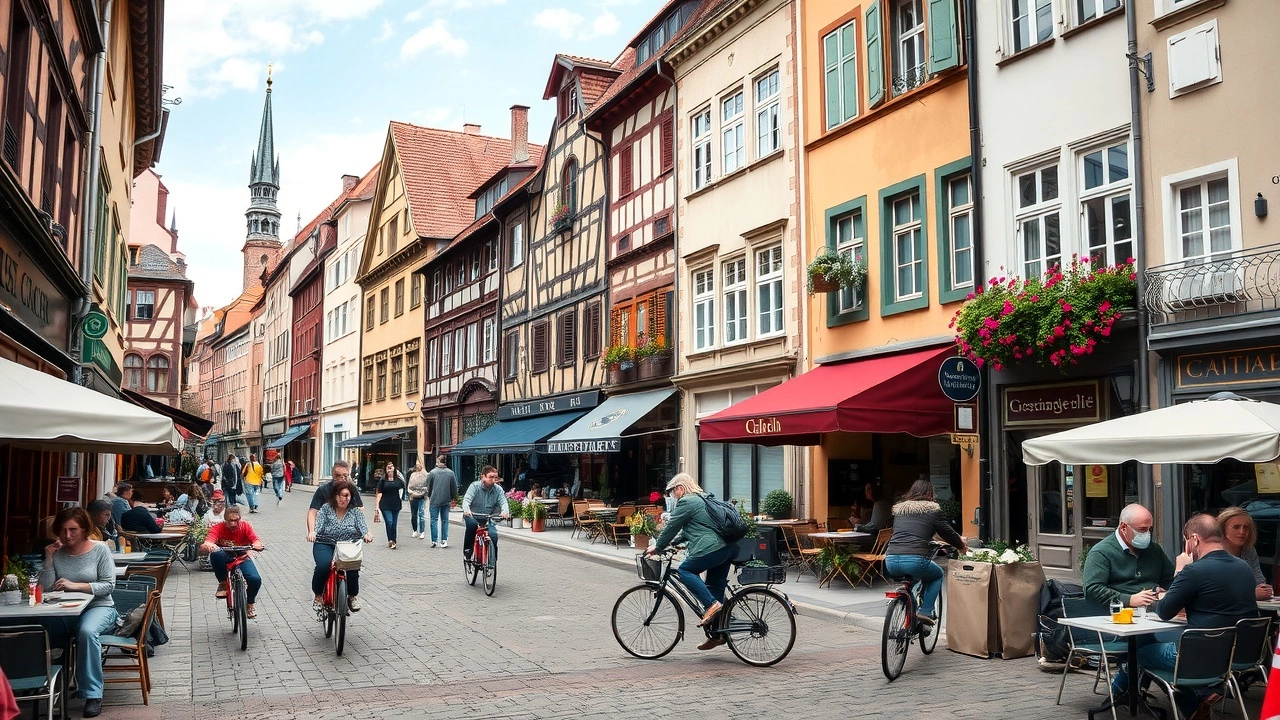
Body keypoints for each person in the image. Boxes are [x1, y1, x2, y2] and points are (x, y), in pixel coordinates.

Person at [1120, 513, 1259, 718]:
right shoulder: (1244, 567)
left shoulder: (1193, 570)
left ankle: (1190, 697)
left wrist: (1180, 569)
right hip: (1235, 655)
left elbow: (1164, 612)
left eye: (1186, 540)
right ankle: (1199, 695)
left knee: (1140, 652)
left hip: (1198, 656)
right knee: (1160, 648)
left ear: (1193, 539)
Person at [37, 507, 116, 718]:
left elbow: (109, 585)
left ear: (84, 530)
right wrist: (49, 559)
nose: (68, 535)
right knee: (41, 631)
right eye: (63, 530)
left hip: (98, 607)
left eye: (73, 530)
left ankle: (92, 694)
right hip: (63, 610)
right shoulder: (57, 553)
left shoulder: (100, 550)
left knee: (87, 632)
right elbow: (45, 587)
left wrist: (77, 586)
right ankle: (45, 686)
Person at [646, 473, 735, 651]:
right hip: (726, 548)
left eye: (673, 492)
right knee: (714, 587)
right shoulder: (702, 499)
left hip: (712, 548)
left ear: (680, 488)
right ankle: (717, 634)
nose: (673, 496)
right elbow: (690, 530)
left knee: (685, 570)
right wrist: (673, 544)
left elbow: (672, 526)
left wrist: (658, 547)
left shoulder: (687, 501)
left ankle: (712, 605)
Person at [883, 480, 969, 626]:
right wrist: (961, 546)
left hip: (890, 560)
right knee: (937, 574)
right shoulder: (932, 511)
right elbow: (948, 533)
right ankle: (926, 611)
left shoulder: (900, 511)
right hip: (915, 560)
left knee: (914, 578)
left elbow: (910, 531)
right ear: (930, 494)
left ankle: (909, 606)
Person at [1083, 503, 1176, 610]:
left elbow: (1169, 579)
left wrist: (1165, 592)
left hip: (1155, 609)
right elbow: (1092, 591)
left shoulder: (1154, 549)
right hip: (1119, 613)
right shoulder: (1101, 553)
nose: (1147, 534)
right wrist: (1129, 600)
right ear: (1123, 527)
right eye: (1142, 529)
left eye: (1149, 529)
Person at [307, 479, 373, 613]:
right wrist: (313, 533)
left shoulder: (355, 512)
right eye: (343, 495)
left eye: (348, 496)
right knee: (323, 566)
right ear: (336, 496)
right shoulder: (326, 509)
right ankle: (318, 596)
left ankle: (352, 596)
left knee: (353, 567)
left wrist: (367, 535)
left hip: (348, 544)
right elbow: (318, 525)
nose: (345, 499)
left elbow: (363, 528)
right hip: (325, 542)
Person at [200, 505, 265, 618]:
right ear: (225, 520)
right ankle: (223, 583)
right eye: (231, 520)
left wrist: (257, 544)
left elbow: (255, 539)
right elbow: (210, 539)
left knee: (255, 580)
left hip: (242, 557)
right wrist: (208, 545)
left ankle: (250, 604)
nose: (234, 523)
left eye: (236, 520)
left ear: (240, 518)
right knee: (215, 554)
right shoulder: (218, 527)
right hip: (225, 556)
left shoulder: (245, 526)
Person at [1217, 506, 1274, 600]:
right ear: (1222, 529)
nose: (1242, 532)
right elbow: (1215, 590)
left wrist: (1264, 588)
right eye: (1236, 527)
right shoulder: (1215, 552)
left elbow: (1259, 580)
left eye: (1246, 527)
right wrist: (1250, 593)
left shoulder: (1249, 550)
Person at [462, 466, 510, 562]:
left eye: (495, 477)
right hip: (473, 516)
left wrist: (505, 511)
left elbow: (503, 501)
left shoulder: (498, 489)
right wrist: (467, 510)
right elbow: (467, 499)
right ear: (483, 476)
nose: (493, 480)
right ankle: (468, 551)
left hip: (489, 517)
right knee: (472, 526)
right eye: (490, 477)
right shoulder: (474, 486)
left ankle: (492, 562)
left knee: (493, 536)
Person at [307, 460, 365, 538]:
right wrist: (311, 531)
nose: (342, 478)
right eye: (338, 476)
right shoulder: (323, 490)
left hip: (348, 535)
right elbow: (313, 511)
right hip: (325, 536)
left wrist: (364, 532)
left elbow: (360, 509)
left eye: (345, 476)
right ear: (333, 475)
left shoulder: (353, 489)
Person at [426, 455, 458, 548]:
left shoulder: (432, 473)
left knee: (434, 520)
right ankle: (444, 540)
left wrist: (429, 495)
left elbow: (429, 486)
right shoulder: (451, 473)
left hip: (434, 499)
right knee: (445, 520)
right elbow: (454, 487)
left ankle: (434, 540)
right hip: (446, 499)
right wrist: (454, 498)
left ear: (438, 461)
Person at [375, 462, 407, 548]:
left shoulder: (398, 480)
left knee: (394, 523)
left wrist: (397, 472)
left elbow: (404, 485)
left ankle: (393, 540)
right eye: (388, 468)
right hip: (385, 504)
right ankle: (390, 539)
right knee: (389, 522)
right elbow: (379, 493)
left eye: (391, 467)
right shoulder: (383, 481)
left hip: (396, 504)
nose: (389, 470)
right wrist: (377, 507)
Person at [407, 462, 429, 540]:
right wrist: (411, 493)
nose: (418, 467)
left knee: (421, 515)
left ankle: (422, 531)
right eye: (417, 465)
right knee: (414, 514)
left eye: (419, 465)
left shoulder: (426, 475)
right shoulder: (412, 475)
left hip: (422, 497)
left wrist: (425, 494)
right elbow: (409, 486)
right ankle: (415, 530)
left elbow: (428, 486)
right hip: (413, 497)